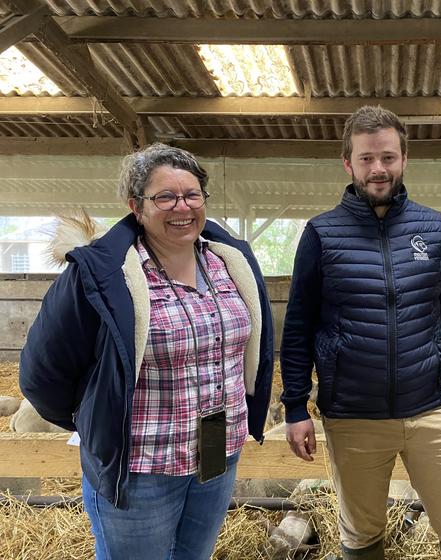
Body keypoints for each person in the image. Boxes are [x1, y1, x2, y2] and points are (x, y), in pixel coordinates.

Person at [19, 144, 274, 560]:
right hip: (140, 463)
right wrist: (95, 418)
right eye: (165, 197)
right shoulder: (102, 273)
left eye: (192, 195)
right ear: (135, 206)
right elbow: (41, 373)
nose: (182, 207)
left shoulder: (230, 262)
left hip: (217, 452)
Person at [280, 105, 441, 560]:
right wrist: (295, 405)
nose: (378, 169)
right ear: (348, 162)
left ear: (404, 159)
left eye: (388, 157)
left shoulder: (431, 227)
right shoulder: (321, 233)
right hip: (353, 415)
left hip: (431, 407)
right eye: (367, 158)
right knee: (362, 531)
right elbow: (298, 327)